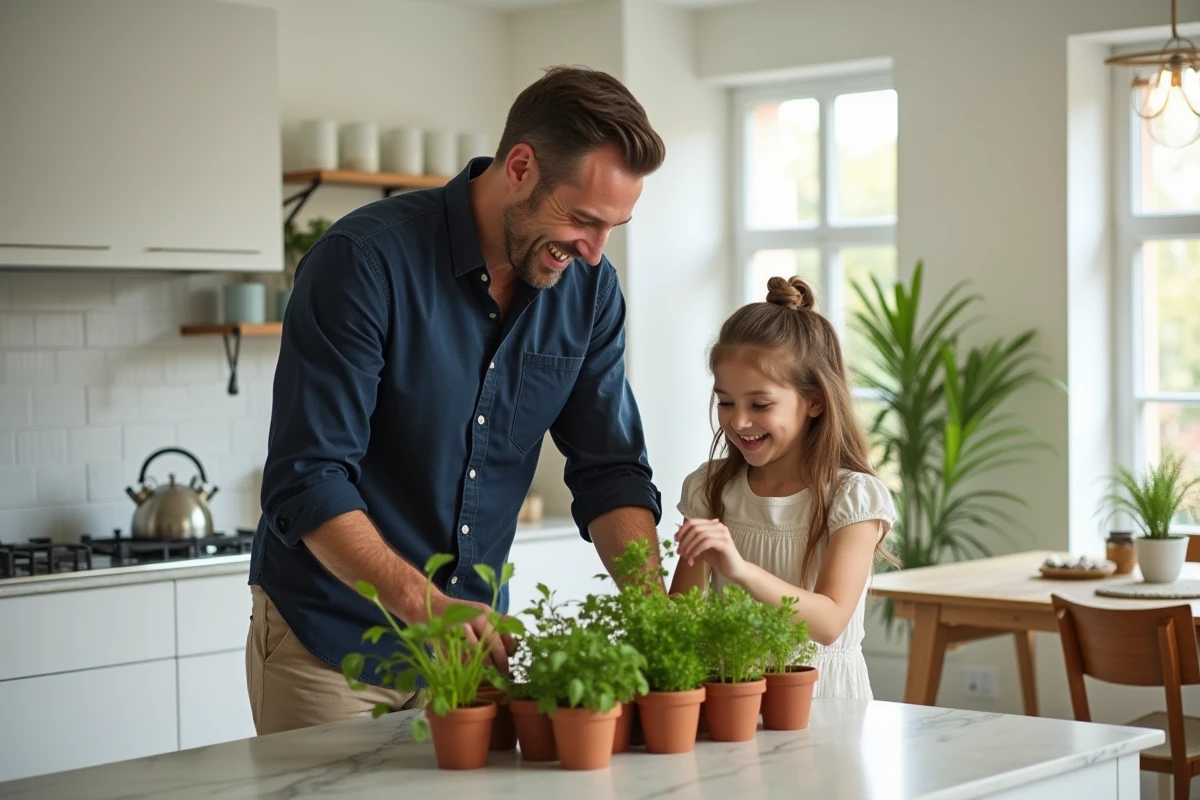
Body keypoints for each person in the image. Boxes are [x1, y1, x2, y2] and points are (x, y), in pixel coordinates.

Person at [245, 66, 667, 735]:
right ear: (521, 166)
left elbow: (610, 468)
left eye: (614, 226)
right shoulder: (362, 262)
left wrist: (656, 617)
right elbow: (308, 480)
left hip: (473, 651)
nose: (594, 253)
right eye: (584, 220)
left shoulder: (589, 292)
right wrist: (427, 604)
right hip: (332, 646)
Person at [670, 275, 898, 700]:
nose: (738, 421)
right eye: (725, 402)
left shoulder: (853, 498)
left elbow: (830, 623)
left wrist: (738, 569)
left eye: (760, 404)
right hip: (729, 699)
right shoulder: (708, 489)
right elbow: (680, 620)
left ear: (814, 400)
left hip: (825, 703)